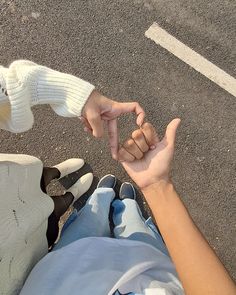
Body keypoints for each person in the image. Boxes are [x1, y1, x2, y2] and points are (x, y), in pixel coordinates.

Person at [20, 121, 236, 295]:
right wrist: (156, 186)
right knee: (133, 225)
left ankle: (102, 198)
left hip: (65, 266)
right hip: (150, 266)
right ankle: (126, 206)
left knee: (90, 219)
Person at [0, 60, 145, 294]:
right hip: (18, 271)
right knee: (49, 217)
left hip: (5, 187)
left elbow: (5, 86)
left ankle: (57, 173)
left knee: (33, 178)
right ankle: (73, 195)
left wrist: (70, 92)